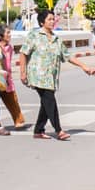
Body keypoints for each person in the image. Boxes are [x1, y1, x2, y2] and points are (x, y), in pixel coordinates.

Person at [21, 8, 73, 140]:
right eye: (49, 19)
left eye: (53, 19)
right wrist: (23, 72)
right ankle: (59, 130)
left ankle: (38, 130)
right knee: (50, 101)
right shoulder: (34, 35)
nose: (52, 21)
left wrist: (84, 66)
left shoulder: (56, 39)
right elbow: (23, 53)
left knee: (46, 103)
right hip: (38, 76)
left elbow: (67, 56)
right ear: (41, 22)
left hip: (51, 77)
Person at [0, 21, 27, 129]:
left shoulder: (10, 47)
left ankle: (18, 120)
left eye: (10, 33)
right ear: (0, 36)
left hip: (6, 76)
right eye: (7, 33)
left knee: (12, 99)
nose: (10, 35)